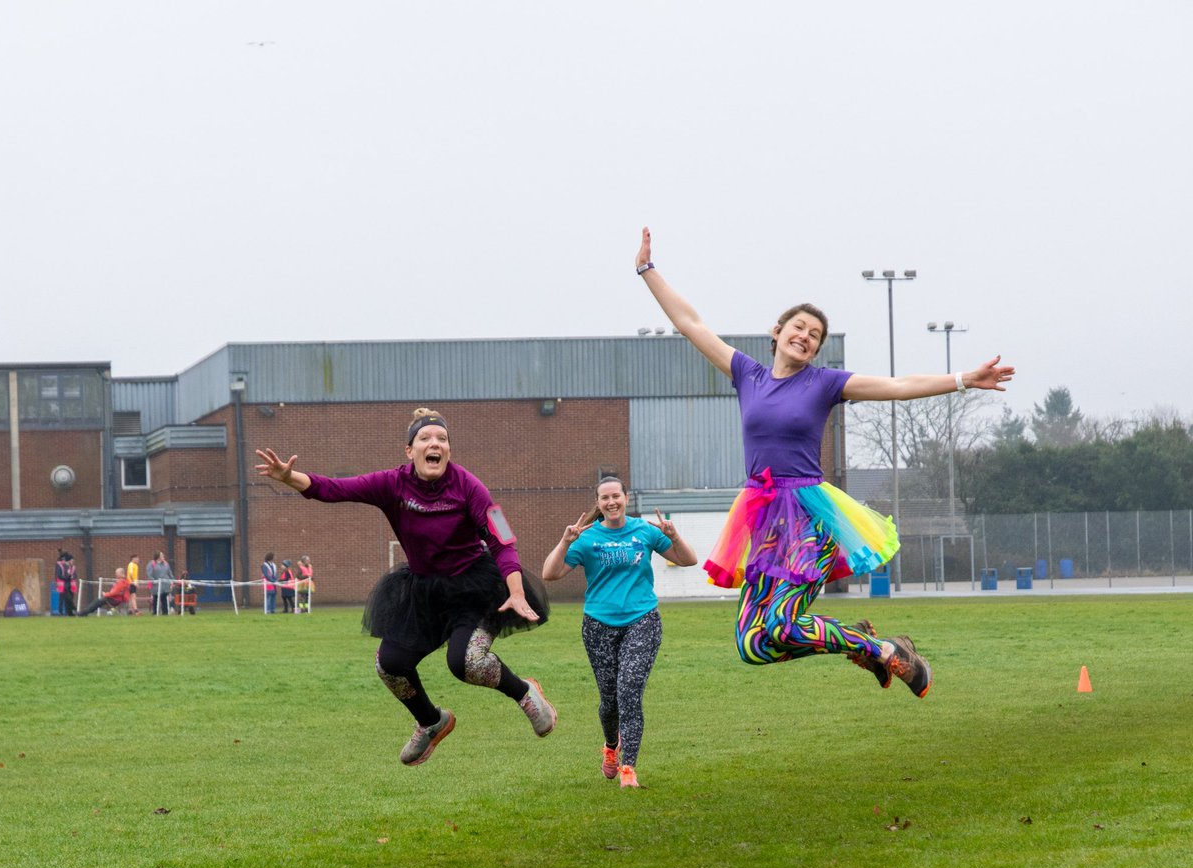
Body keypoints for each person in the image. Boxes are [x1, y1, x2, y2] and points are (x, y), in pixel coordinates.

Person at [634, 227, 1016, 696]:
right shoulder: (747, 375)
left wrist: (963, 379)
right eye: (798, 328)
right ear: (776, 333)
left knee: (779, 622)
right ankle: (872, 646)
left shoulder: (824, 383)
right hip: (763, 516)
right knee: (753, 644)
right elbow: (691, 323)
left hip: (808, 516)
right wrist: (647, 271)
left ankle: (884, 653)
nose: (806, 337)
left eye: (815, 336)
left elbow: (896, 386)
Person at [255, 407, 555, 767]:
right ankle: (431, 722)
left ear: (449, 450)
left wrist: (516, 591)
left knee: (466, 662)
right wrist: (291, 478)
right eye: (425, 439)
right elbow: (333, 489)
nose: (435, 444)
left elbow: (503, 539)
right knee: (390, 664)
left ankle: (525, 693)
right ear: (409, 451)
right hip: (424, 592)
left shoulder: (470, 487)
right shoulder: (392, 484)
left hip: (475, 589)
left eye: (442, 439)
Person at [542, 476, 698, 789]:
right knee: (609, 700)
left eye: (616, 496)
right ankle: (610, 747)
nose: (611, 502)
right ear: (598, 504)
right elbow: (550, 574)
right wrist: (565, 542)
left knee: (629, 691)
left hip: (642, 620)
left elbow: (688, 560)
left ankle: (629, 768)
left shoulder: (645, 531)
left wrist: (673, 535)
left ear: (626, 498)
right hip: (598, 625)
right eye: (605, 498)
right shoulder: (586, 538)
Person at [148, 551, 174, 615]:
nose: (163, 557)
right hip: (156, 585)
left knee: (164, 598)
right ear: (158, 556)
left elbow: (170, 573)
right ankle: (155, 612)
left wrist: (172, 581)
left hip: (165, 585)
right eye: (162, 555)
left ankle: (165, 612)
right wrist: (153, 581)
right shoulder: (152, 564)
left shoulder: (166, 564)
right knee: (156, 598)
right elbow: (149, 574)